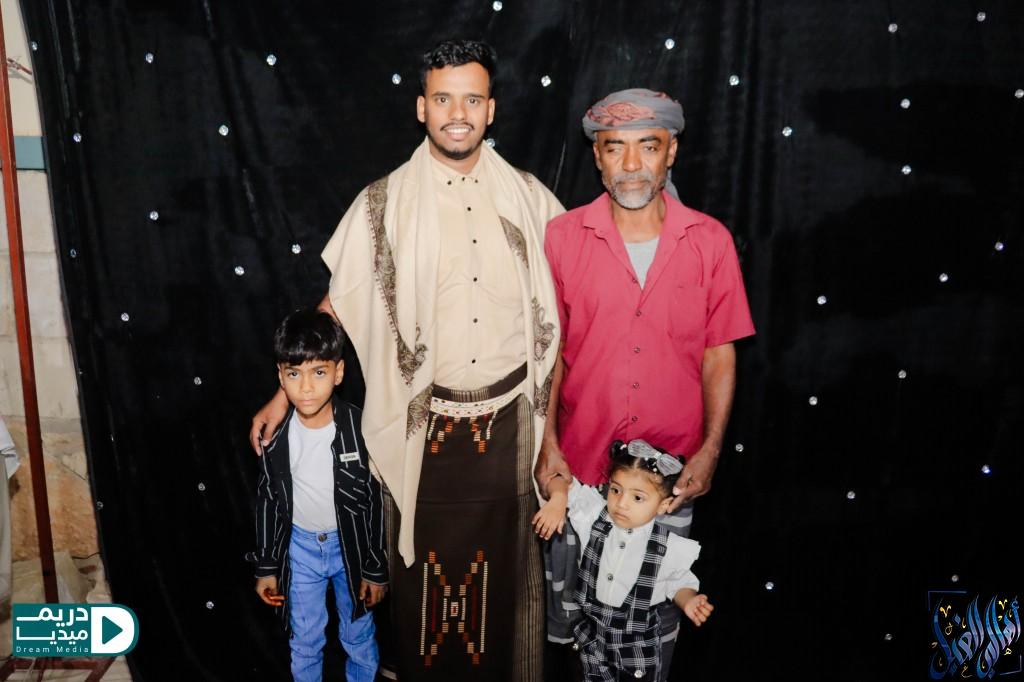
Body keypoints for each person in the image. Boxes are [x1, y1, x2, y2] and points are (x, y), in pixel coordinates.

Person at [250, 40, 563, 681]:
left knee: (509, 583)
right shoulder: (382, 203)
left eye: (472, 100)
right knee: (422, 580)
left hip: (512, 426)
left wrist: (555, 439)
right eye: (443, 98)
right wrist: (284, 394)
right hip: (425, 432)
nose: (458, 113)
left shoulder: (531, 200)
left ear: (491, 109)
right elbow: (340, 303)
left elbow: (570, 309)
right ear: (422, 108)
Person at [536, 88, 755, 678]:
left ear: (671, 152)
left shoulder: (709, 241)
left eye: (648, 147)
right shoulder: (562, 237)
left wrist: (710, 450)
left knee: (651, 632)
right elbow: (550, 353)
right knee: (578, 624)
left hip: (669, 481)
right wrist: (548, 445)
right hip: (583, 476)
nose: (632, 164)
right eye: (615, 148)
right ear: (597, 156)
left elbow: (719, 354)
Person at [252, 308, 387, 682]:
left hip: (350, 549)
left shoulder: (360, 429)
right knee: (305, 641)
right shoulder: (275, 438)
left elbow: (376, 501)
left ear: (338, 372)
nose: (306, 387)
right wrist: (267, 566)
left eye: (319, 372)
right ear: (281, 376)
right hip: (301, 551)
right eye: (294, 374)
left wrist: (375, 567)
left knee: (358, 636)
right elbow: (267, 500)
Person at [533, 439, 713, 681]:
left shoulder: (667, 547)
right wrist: (558, 499)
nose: (622, 503)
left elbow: (678, 583)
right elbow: (560, 478)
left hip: (636, 651)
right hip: (593, 641)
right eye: (616, 490)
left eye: (637, 498)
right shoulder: (593, 516)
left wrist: (688, 600)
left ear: (663, 505)